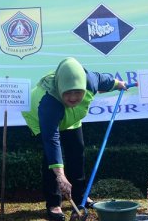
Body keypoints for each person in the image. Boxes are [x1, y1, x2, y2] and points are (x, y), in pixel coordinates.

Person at [21, 57, 127, 221]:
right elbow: (52, 140)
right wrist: (61, 176)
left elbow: (104, 80)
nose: (73, 97)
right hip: (41, 117)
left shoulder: (90, 81)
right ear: (61, 89)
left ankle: (80, 198)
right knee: (53, 160)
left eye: (78, 92)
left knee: (77, 152)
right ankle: (54, 203)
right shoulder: (49, 102)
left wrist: (119, 84)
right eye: (68, 93)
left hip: (71, 117)